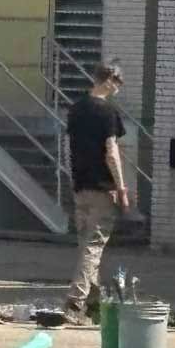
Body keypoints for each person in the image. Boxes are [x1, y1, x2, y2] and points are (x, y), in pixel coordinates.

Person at [62, 61, 129, 325]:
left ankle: (94, 305)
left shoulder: (76, 109)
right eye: (119, 81)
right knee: (93, 246)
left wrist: (74, 178)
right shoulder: (108, 112)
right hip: (102, 187)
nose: (120, 86)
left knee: (86, 245)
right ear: (109, 80)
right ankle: (75, 302)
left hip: (81, 186)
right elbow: (111, 153)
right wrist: (121, 186)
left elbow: (69, 147)